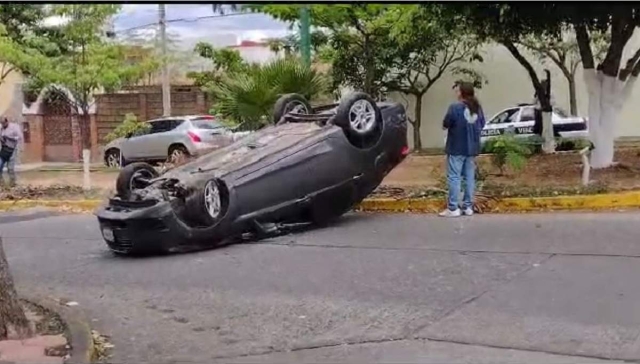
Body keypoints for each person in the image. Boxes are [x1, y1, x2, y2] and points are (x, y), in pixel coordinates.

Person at [439, 81, 485, 217]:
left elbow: (446, 123)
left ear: (462, 93)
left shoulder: (455, 107)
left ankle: (453, 208)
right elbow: (482, 124)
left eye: (458, 90)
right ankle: (468, 207)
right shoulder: (477, 108)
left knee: (454, 177)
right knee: (469, 177)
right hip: (471, 148)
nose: (456, 93)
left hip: (456, 147)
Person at [0, 117, 23, 187]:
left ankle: (13, 183)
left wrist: (10, 137)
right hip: (4, 150)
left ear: (7, 122)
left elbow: (19, 137)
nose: (3, 125)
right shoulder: (1, 129)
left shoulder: (14, 127)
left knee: (10, 168)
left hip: (13, 149)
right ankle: (1, 184)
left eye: (4, 123)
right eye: (1, 123)